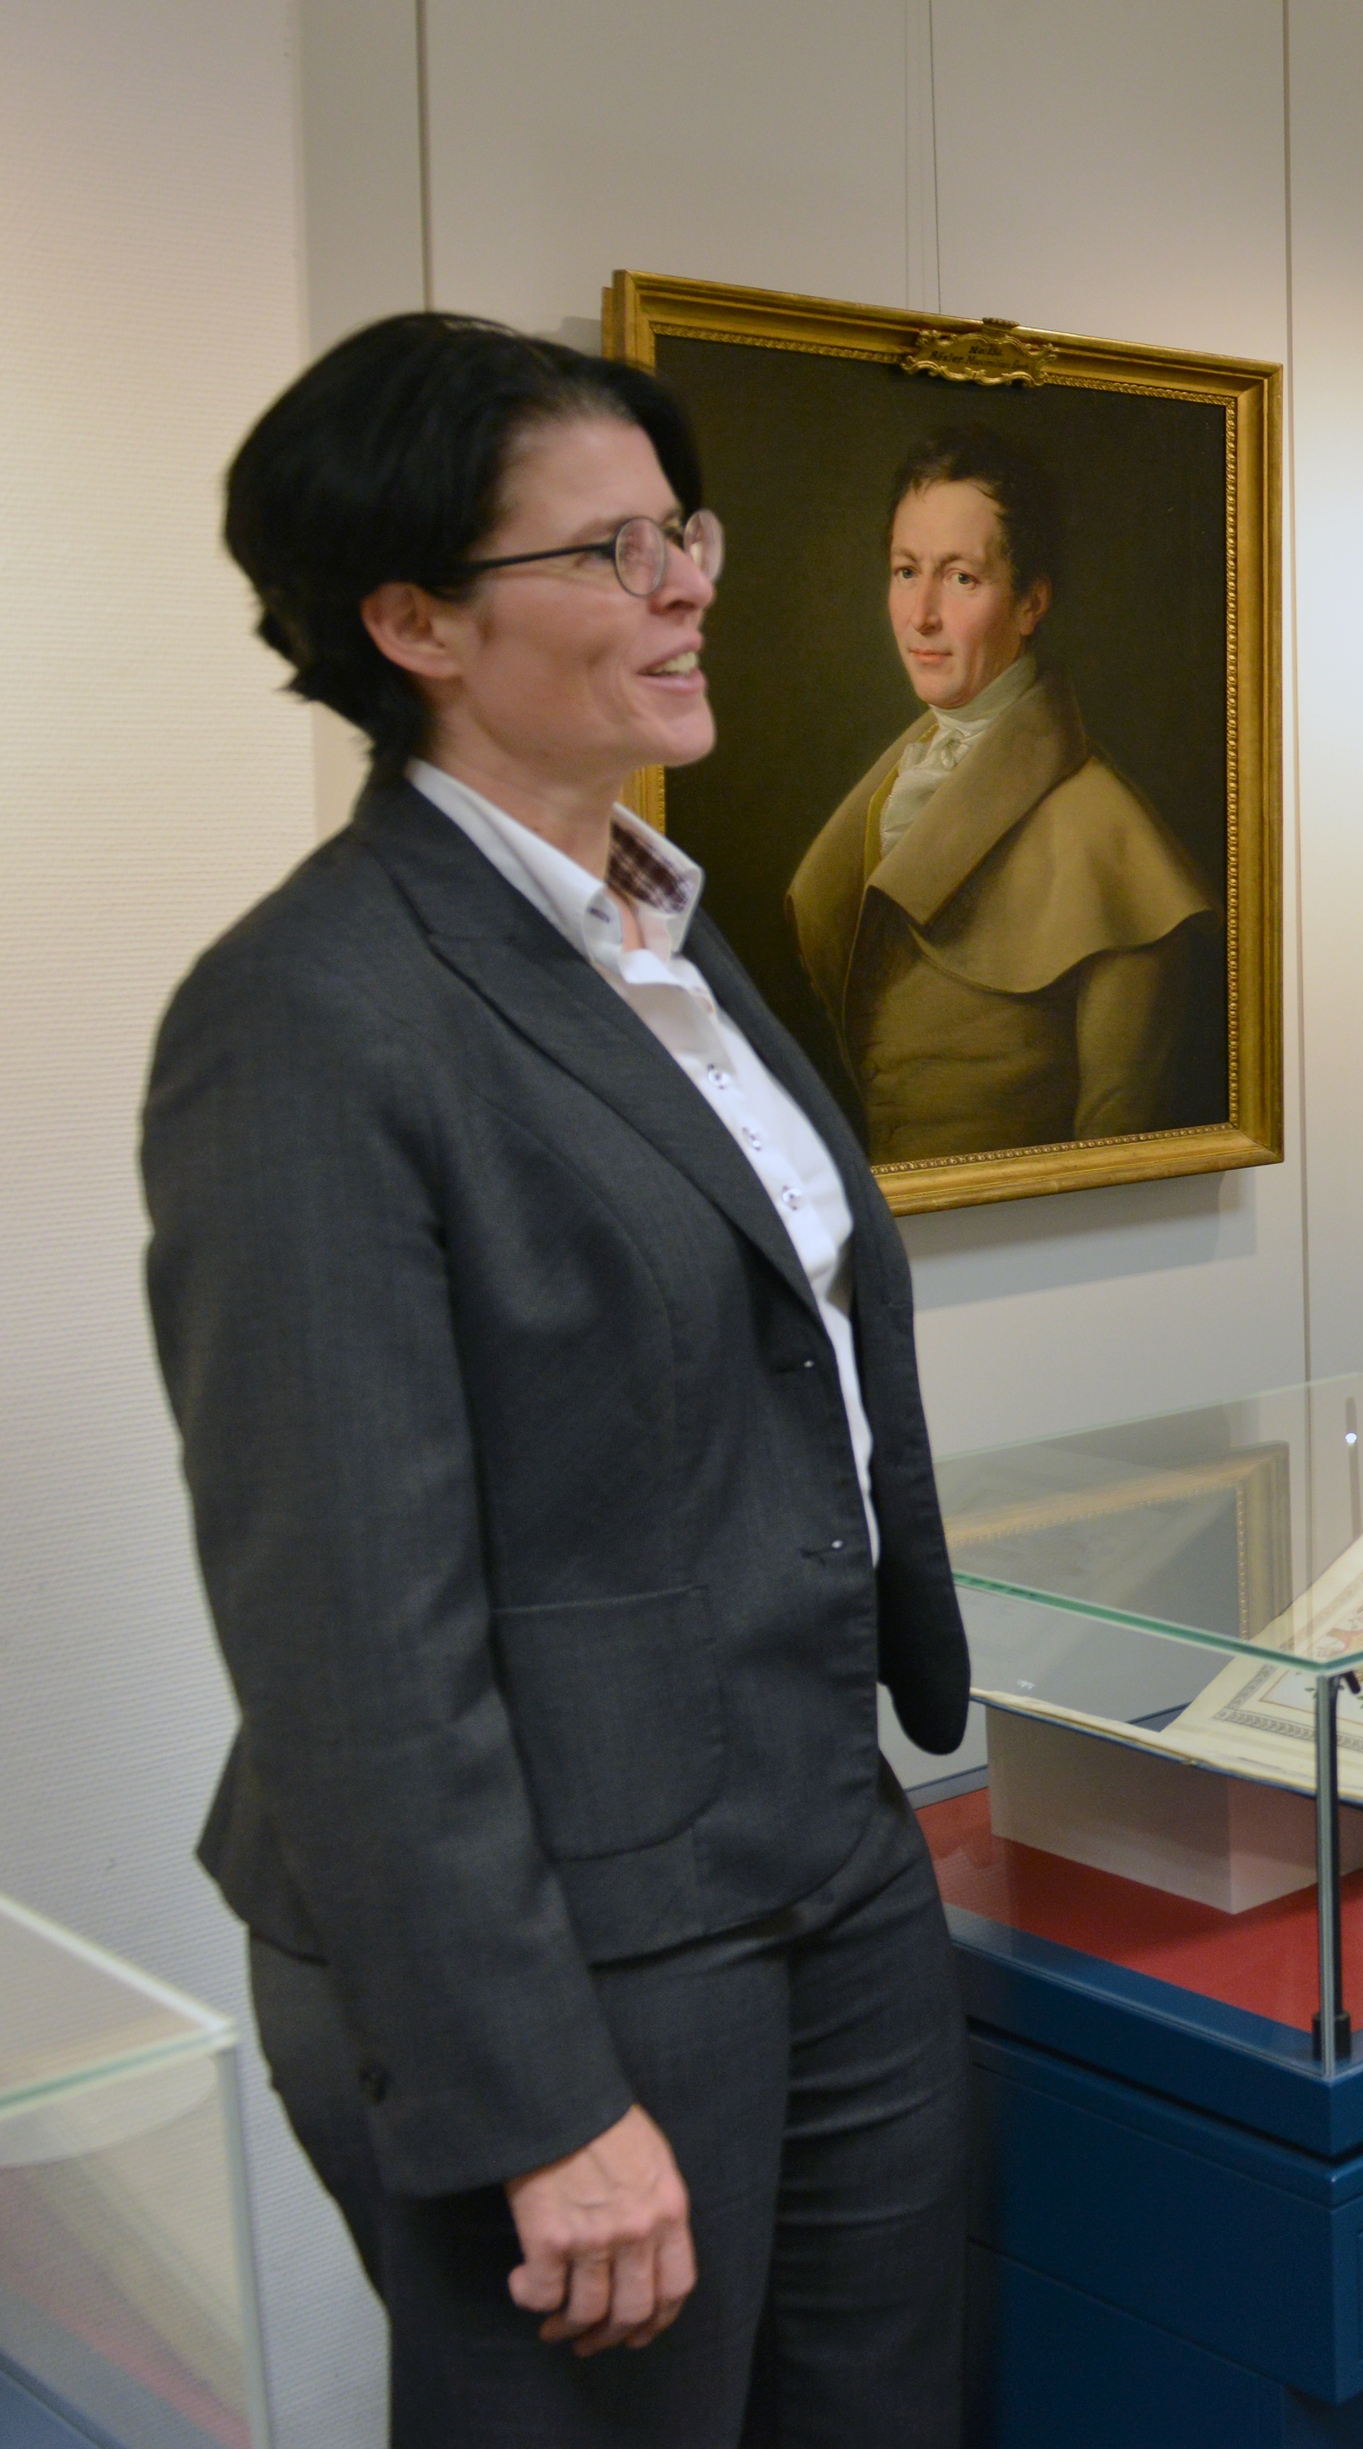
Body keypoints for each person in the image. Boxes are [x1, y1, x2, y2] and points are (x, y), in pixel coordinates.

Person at [147, 311, 974, 2446]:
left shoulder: (663, 933)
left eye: (682, 529)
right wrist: (534, 2095)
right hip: (565, 1937)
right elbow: (347, 1623)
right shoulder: (310, 1013)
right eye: (611, 551)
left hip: (819, 1839)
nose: (686, 584)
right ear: (411, 619)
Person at [786, 422, 1219, 1161]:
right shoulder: (894, 781)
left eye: (961, 578)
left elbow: (1118, 1150)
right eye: (905, 571)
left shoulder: (1106, 833)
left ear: (1029, 604)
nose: (921, 614)